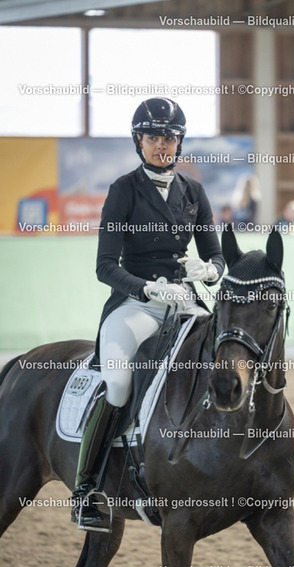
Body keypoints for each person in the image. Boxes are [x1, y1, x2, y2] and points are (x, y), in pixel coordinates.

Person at [71, 98, 225, 528]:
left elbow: (215, 255)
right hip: (136, 305)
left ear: (180, 142)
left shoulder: (193, 192)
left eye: (169, 138)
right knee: (119, 384)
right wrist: (146, 287)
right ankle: (86, 489)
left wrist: (210, 270)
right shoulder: (124, 189)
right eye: (153, 137)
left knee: (223, 358)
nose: (162, 145)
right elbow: (105, 266)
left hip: (185, 302)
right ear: (138, 140)